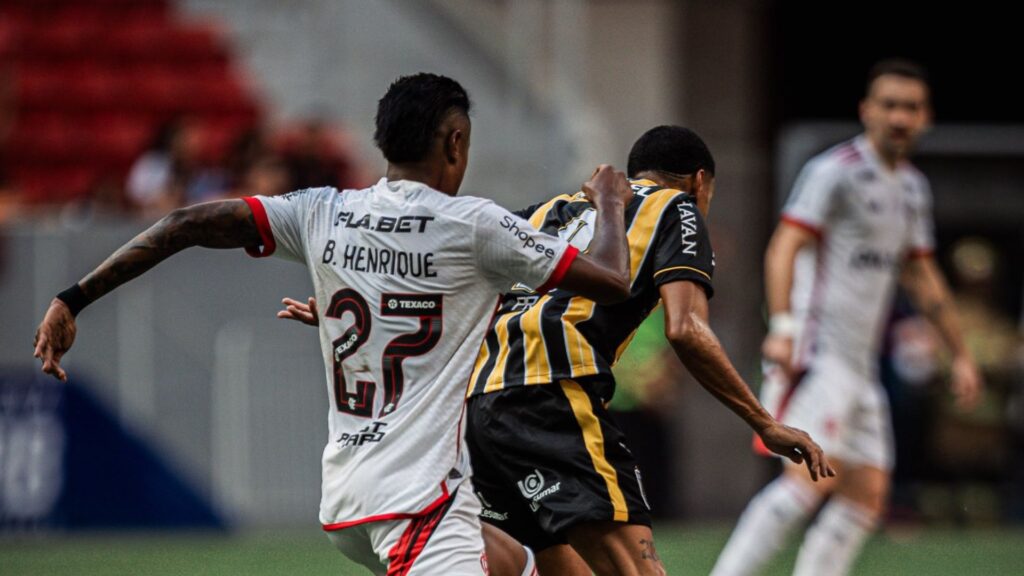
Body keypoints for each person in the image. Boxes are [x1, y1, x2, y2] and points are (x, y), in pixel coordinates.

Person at [33, 72, 637, 576]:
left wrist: (73, 298)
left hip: (350, 497)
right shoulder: (473, 224)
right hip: (418, 505)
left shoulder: (323, 210)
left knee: (524, 568)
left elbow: (182, 224)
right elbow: (612, 280)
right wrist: (610, 199)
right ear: (455, 143)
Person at [281, 125, 834, 576]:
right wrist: (764, 421)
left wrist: (357, 313)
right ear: (700, 181)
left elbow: (457, 285)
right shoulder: (676, 207)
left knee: (554, 569)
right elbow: (686, 328)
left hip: (478, 409)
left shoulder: (549, 210)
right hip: (552, 401)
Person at [710, 59, 983, 576]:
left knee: (867, 493)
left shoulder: (911, 189)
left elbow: (923, 276)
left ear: (926, 117)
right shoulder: (833, 172)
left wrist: (961, 354)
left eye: (912, 107)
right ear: (867, 111)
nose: (900, 117)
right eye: (890, 105)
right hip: (818, 354)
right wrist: (783, 329)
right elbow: (784, 247)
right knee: (810, 482)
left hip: (860, 367)